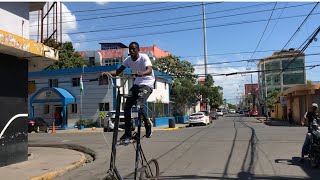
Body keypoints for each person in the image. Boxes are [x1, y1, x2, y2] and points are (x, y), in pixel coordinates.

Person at [101, 42, 154, 140]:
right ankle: (128, 132)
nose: (132, 51)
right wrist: (107, 73)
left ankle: (148, 125)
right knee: (126, 107)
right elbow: (117, 72)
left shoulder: (144, 57)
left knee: (139, 105)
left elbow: (149, 70)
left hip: (147, 84)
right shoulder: (128, 60)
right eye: (130, 49)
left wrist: (142, 73)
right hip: (137, 84)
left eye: (134, 49)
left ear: (138, 50)